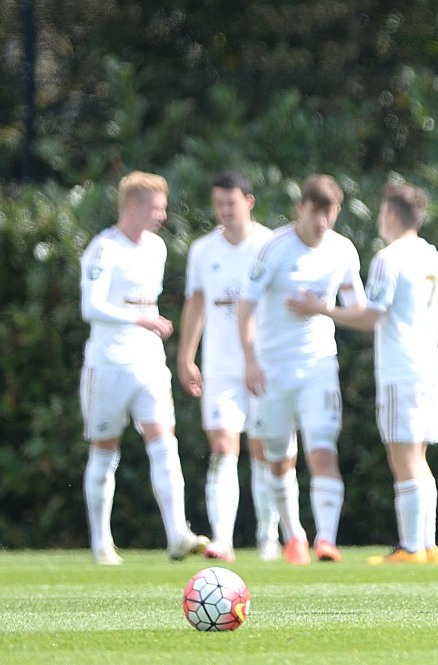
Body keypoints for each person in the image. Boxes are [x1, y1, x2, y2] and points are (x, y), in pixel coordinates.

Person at [326, 183, 438, 565]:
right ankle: (427, 545)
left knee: (403, 457)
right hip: (429, 369)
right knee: (417, 455)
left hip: (400, 369)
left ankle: (411, 547)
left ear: (390, 215)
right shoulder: (434, 256)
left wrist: (322, 310)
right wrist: (434, 344)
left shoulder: (389, 257)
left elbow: (371, 316)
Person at [80, 171, 210, 565]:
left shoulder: (156, 248)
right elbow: (91, 307)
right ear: (133, 205)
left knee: (164, 440)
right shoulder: (103, 249)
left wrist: (149, 325)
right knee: (105, 448)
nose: (162, 215)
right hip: (108, 365)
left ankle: (177, 535)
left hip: (148, 362)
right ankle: (102, 544)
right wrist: (140, 320)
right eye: (156, 207)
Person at [238, 174, 366, 565]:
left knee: (323, 448)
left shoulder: (343, 250)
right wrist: (251, 361)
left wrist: (321, 309)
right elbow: (245, 308)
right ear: (301, 209)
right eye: (315, 214)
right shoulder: (273, 248)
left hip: (318, 364)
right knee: (278, 456)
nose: (322, 223)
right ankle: (294, 536)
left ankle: (326, 540)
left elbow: (360, 313)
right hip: (273, 368)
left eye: (329, 214)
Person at [177, 171, 292, 562]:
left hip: (263, 367)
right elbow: (195, 303)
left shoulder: (271, 245)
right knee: (225, 448)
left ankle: (267, 538)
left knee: (263, 451)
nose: (225, 211)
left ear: (250, 201)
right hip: (221, 369)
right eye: (219, 204)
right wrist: (186, 356)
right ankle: (222, 540)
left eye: (232, 202)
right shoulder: (202, 250)